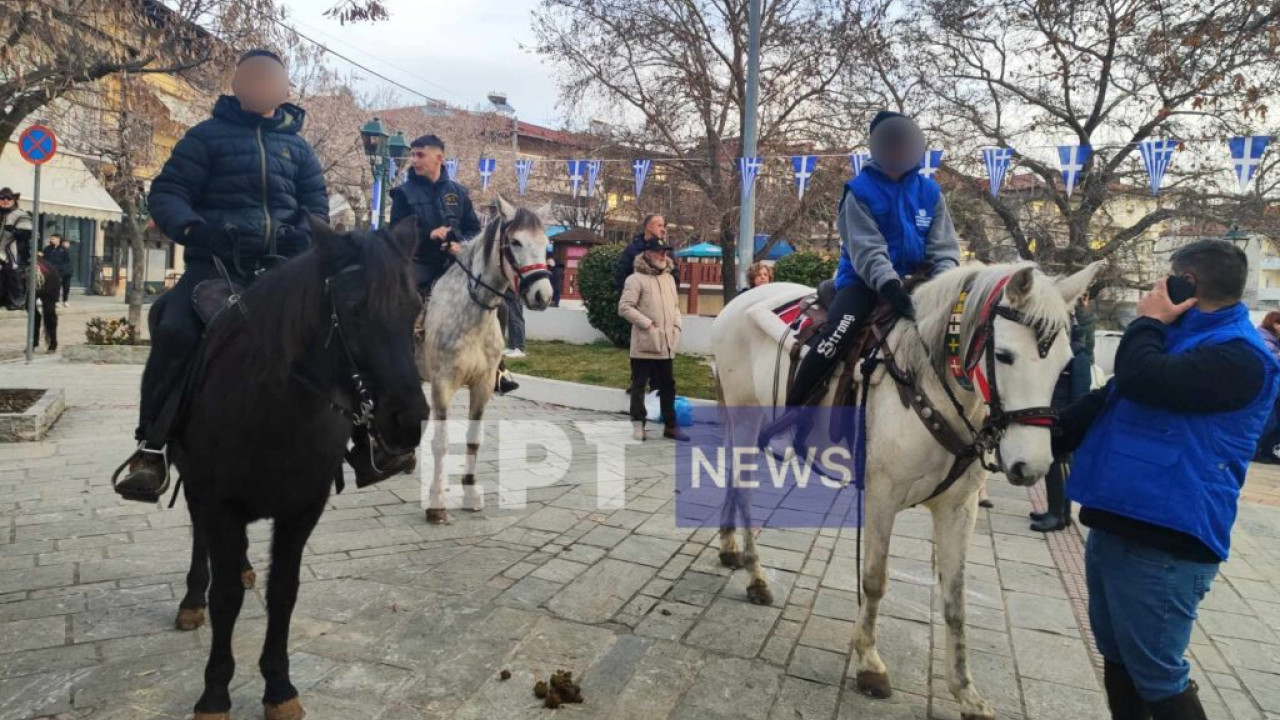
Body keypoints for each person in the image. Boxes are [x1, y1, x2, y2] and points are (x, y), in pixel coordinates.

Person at [1055, 239, 1279, 720]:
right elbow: (1112, 397)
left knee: (1158, 676)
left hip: (1167, 540)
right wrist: (1038, 439)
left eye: (1166, 276)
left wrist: (1149, 321)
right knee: (1119, 659)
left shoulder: (1241, 356)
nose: (1157, 285)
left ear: (1187, 283)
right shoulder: (1181, 338)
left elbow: (1142, 379)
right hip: (1119, 520)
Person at [112, 49, 330, 503]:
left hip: (280, 270)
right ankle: (152, 447)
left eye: (270, 79)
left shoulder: (299, 149)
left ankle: (367, 437)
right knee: (174, 328)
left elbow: (316, 208)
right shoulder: (205, 137)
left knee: (340, 328)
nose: (260, 86)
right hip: (214, 266)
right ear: (236, 85)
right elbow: (169, 191)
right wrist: (195, 229)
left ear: (285, 90)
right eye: (251, 78)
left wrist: (303, 237)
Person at [759, 110, 960, 443]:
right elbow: (867, 250)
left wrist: (944, 285)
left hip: (920, 284)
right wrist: (891, 287)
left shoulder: (931, 193)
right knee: (834, 338)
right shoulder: (859, 191)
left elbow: (945, 247)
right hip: (864, 283)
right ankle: (791, 415)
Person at [388, 134, 480, 297]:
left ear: (439, 158)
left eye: (420, 155)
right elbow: (396, 234)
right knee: (400, 293)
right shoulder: (403, 193)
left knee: (499, 300)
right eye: (413, 155)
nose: (414, 160)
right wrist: (429, 235)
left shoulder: (459, 193)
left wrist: (462, 246)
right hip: (420, 264)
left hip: (459, 264)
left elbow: (474, 230)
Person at [619, 235, 687, 442]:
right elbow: (624, 307)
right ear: (648, 254)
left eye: (666, 252)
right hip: (644, 343)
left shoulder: (668, 278)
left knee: (668, 385)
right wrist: (647, 324)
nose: (663, 255)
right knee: (639, 384)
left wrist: (676, 326)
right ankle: (638, 425)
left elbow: (675, 306)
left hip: (666, 343)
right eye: (659, 252)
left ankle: (670, 425)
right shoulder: (635, 279)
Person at [1030, 312, 1091, 532]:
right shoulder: (1058, 354)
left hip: (1063, 418)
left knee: (1060, 465)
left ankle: (1059, 514)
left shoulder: (1078, 355)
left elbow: (1081, 395)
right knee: (1052, 465)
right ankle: (1055, 511)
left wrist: (1070, 424)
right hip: (1052, 414)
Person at [616, 214, 680, 291]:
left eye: (664, 226)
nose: (663, 230)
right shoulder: (632, 250)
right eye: (660, 226)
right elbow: (622, 278)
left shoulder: (667, 251)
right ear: (649, 227)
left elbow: (675, 277)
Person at [0, 187, 34, 311]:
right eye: (2, 198)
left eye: (8, 198)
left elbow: (27, 233)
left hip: (13, 249)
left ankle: (15, 299)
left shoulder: (20, 214)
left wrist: (15, 231)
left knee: (10, 269)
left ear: (14, 199)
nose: (5, 200)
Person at [1254, 310, 1280, 462]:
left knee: (1273, 424)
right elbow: (1268, 361)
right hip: (1264, 390)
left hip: (1273, 390)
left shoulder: (1275, 341)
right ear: (1275, 325)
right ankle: (1256, 452)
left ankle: (1266, 450)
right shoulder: (1264, 340)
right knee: (1268, 423)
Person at [42, 234, 73, 307]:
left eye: (53, 239)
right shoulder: (47, 249)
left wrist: (63, 270)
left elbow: (67, 261)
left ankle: (65, 300)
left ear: (58, 239)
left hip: (64, 271)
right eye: (51, 239)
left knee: (66, 286)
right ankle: (56, 300)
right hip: (51, 271)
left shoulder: (64, 249)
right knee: (54, 286)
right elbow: (45, 259)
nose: (51, 240)